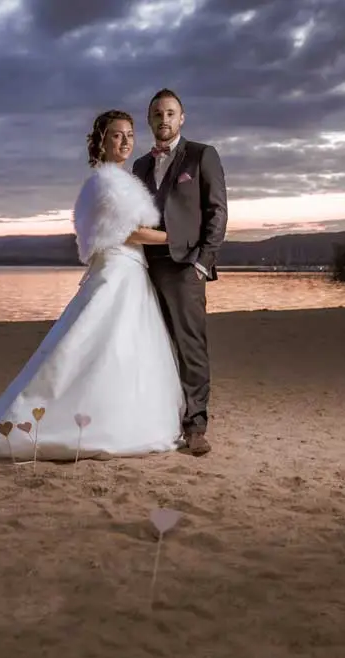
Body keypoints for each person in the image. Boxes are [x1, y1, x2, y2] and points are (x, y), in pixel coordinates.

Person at [0, 110, 185, 462]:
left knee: (122, 348)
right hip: (117, 270)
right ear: (101, 140)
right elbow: (127, 231)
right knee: (97, 344)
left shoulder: (121, 180)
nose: (126, 140)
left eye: (130, 134)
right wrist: (174, 237)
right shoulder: (105, 183)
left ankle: (123, 418)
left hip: (129, 270)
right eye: (117, 135)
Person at [131, 89, 227, 456]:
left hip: (186, 266)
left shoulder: (203, 155)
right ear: (149, 119)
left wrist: (204, 262)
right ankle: (161, 417)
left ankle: (196, 425)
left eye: (170, 112)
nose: (164, 119)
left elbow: (217, 212)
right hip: (145, 267)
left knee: (190, 347)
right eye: (157, 113)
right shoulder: (139, 166)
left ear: (182, 118)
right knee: (154, 344)